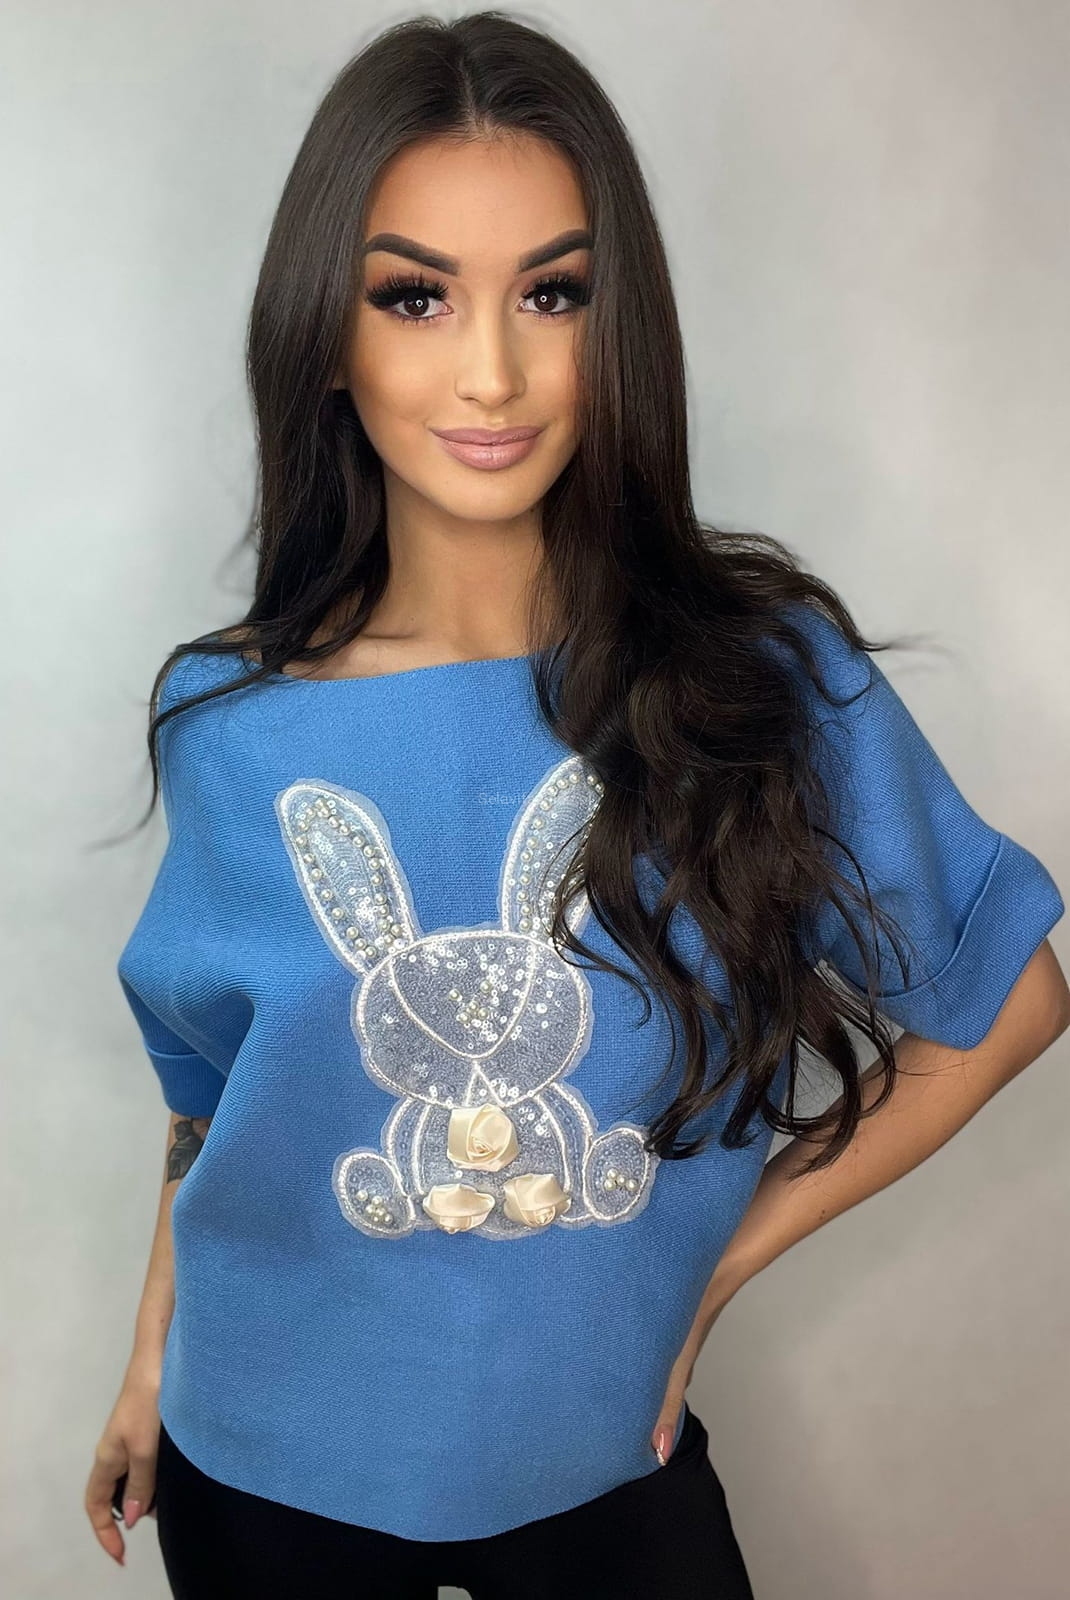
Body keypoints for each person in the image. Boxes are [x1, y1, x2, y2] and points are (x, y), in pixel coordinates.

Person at [84, 12, 1068, 1598]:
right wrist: (148, 1368)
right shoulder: (230, 720)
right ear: (327, 336)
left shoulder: (750, 681)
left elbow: (1005, 1005)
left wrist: (709, 1272)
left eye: (553, 293)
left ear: (619, 327)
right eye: (415, 296)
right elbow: (212, 1094)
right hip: (256, 1453)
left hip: (605, 1450)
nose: (493, 370)